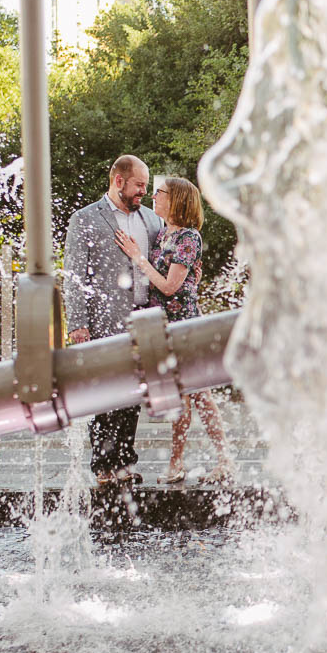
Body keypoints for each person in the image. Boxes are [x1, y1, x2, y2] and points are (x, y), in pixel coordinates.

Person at [115, 176, 234, 486]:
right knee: (185, 395)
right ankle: (180, 462)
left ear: (177, 199)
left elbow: (169, 286)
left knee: (200, 394)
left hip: (185, 326)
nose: (154, 196)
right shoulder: (164, 234)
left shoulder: (188, 238)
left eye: (160, 192)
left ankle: (221, 460)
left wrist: (136, 257)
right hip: (164, 327)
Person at [63, 154, 165, 486]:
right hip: (103, 320)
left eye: (146, 187)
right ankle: (102, 466)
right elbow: (75, 273)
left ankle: (125, 462)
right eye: (138, 185)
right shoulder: (85, 219)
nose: (142, 192)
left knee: (134, 393)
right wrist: (78, 321)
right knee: (105, 393)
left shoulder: (151, 220)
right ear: (118, 181)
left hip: (142, 318)